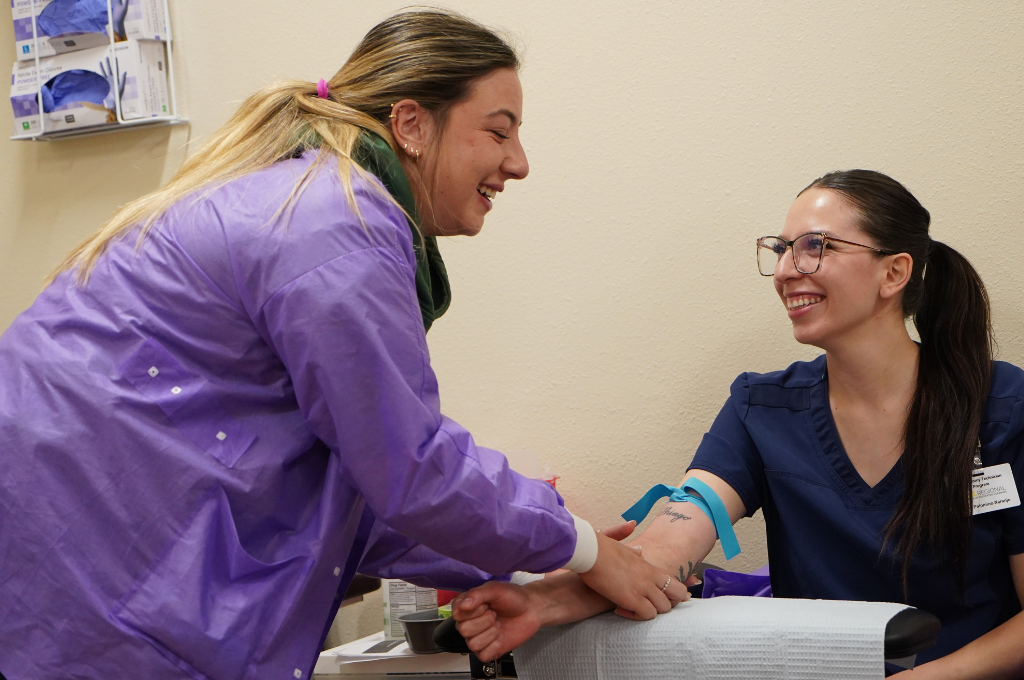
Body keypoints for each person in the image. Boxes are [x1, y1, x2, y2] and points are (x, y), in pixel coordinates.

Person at [0, 10, 688, 680]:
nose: (520, 163)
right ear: (411, 124)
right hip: (83, 527)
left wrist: (549, 562)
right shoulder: (338, 224)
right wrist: (585, 550)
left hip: (79, 506)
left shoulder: (310, 201)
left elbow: (358, 482)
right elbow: (411, 467)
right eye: (498, 131)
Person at [452, 170, 1024, 678]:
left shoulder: (1001, 406)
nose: (786, 270)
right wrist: (541, 603)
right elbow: (669, 544)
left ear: (894, 271)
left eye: (815, 247)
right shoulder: (761, 409)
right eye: (781, 249)